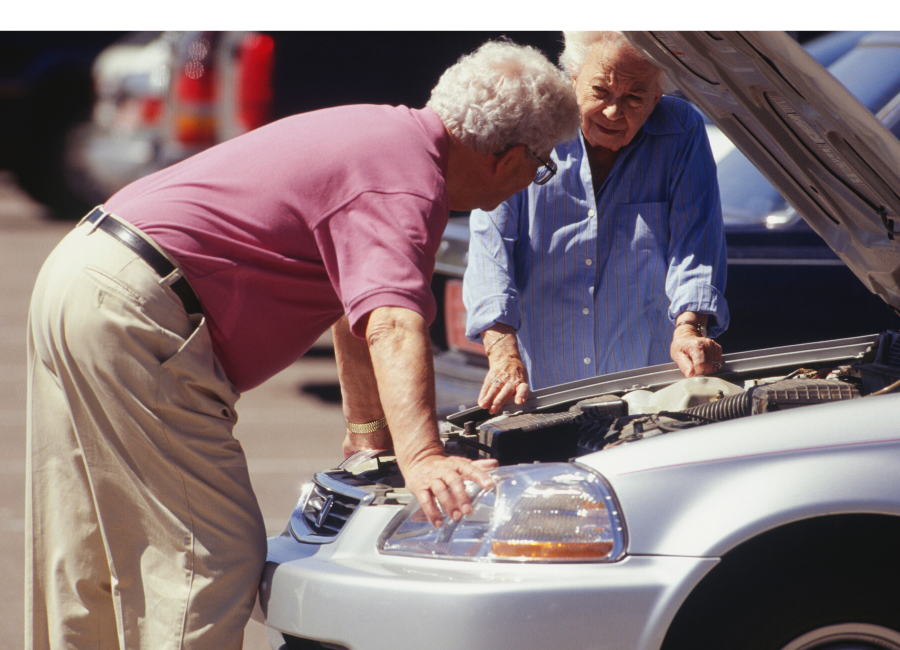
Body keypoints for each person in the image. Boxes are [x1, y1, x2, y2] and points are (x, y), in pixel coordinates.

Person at [25, 40, 580, 650]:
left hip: (81, 272)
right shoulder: (409, 186)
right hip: (136, 307)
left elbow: (355, 310)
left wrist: (369, 434)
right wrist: (423, 458)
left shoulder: (384, 138)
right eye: (541, 165)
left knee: (90, 542)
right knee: (211, 557)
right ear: (506, 157)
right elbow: (391, 324)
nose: (535, 180)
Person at [464, 31, 729, 415]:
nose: (612, 112)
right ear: (572, 75)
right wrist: (503, 352)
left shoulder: (681, 131)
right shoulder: (527, 124)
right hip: (542, 394)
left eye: (634, 97)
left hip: (649, 394)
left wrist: (690, 328)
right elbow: (491, 246)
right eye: (601, 91)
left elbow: (696, 244)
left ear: (658, 96)